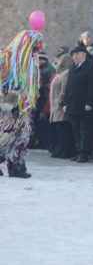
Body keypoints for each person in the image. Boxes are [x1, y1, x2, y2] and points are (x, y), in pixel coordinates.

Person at [0, 22, 45, 178]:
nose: (35, 52)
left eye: (36, 49)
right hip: (6, 107)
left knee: (20, 137)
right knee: (4, 135)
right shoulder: (5, 58)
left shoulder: (31, 64)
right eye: (33, 47)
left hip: (23, 108)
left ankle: (16, 167)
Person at [64, 44, 93, 163]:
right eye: (73, 55)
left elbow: (92, 86)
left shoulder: (91, 67)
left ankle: (84, 153)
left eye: (77, 55)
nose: (74, 57)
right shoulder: (72, 67)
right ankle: (78, 149)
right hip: (72, 103)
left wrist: (89, 102)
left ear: (83, 55)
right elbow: (68, 86)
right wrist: (65, 103)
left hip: (84, 104)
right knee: (76, 129)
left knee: (84, 130)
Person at [49, 53, 76, 159]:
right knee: (59, 131)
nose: (57, 63)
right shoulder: (59, 73)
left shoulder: (66, 73)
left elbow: (64, 89)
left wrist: (61, 101)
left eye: (59, 61)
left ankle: (65, 150)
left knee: (64, 130)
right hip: (55, 107)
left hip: (60, 106)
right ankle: (59, 149)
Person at [30, 53, 55, 149]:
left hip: (44, 99)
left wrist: (41, 87)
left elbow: (50, 84)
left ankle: (44, 143)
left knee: (43, 122)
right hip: (38, 99)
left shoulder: (49, 69)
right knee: (37, 122)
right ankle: (39, 141)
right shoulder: (38, 69)